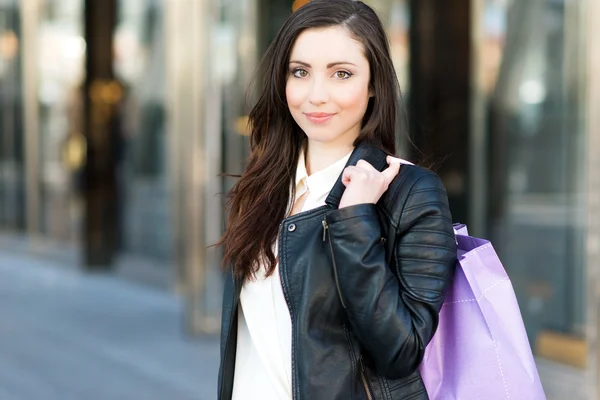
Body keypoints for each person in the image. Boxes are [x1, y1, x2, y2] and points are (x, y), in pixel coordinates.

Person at [217, 1, 457, 399]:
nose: (316, 95)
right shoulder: (263, 186)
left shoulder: (411, 193)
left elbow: (401, 350)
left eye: (341, 74)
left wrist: (357, 219)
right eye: (300, 72)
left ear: (373, 83)